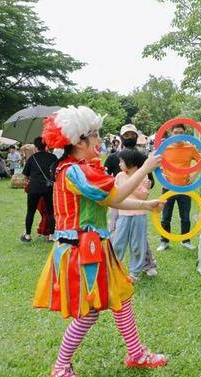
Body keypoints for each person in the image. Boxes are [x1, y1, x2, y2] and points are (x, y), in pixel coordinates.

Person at [33, 105, 167, 375]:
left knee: (122, 298)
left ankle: (136, 354)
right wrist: (145, 168)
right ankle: (61, 367)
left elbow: (109, 201)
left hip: (94, 248)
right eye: (94, 135)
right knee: (89, 312)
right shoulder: (74, 171)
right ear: (79, 142)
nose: (99, 140)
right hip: (82, 251)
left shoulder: (79, 168)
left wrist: (147, 204)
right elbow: (115, 196)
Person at [106, 124, 157, 275]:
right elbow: (106, 179)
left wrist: (143, 184)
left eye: (132, 135)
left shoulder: (141, 157)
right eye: (126, 135)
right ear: (121, 137)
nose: (129, 138)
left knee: (138, 239)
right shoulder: (113, 158)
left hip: (138, 209)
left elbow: (149, 181)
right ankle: (114, 267)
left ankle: (146, 265)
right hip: (118, 205)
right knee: (116, 235)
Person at [157, 124, 201, 252]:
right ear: (171, 133)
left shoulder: (190, 147)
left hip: (185, 188)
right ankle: (164, 241)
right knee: (166, 216)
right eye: (175, 132)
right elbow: (155, 163)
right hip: (168, 187)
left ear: (184, 133)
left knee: (185, 216)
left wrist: (193, 176)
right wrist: (162, 174)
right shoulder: (164, 147)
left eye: (180, 132)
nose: (178, 135)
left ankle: (186, 241)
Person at [111, 149, 153, 283]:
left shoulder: (143, 176)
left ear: (131, 163)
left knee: (137, 245)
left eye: (121, 162)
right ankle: (114, 269)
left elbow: (144, 196)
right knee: (118, 243)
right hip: (123, 214)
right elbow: (116, 193)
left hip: (139, 215)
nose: (119, 164)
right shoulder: (119, 176)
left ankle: (135, 273)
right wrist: (133, 185)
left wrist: (130, 184)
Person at [20, 137, 57, 243]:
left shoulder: (32, 158)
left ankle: (27, 235)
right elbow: (56, 173)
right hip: (48, 187)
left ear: (35, 147)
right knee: (50, 211)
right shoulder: (53, 157)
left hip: (34, 188)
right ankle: (51, 235)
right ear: (46, 145)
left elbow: (26, 175)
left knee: (30, 211)